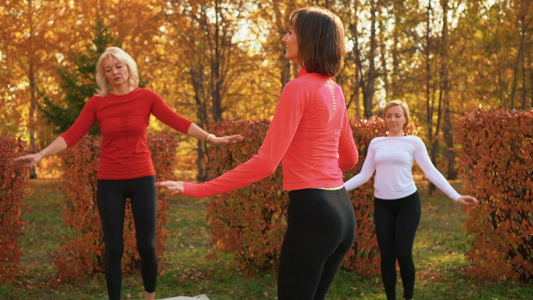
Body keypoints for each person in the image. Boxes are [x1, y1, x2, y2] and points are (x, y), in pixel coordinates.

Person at [156, 7, 358, 300]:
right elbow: (350, 158)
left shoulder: (298, 88)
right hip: (342, 213)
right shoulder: (334, 90)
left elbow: (265, 164)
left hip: (314, 213)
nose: (284, 38)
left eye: (291, 32)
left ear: (309, 40)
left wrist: (196, 189)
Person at [12, 46, 243, 300]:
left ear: (128, 67)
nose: (114, 72)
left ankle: (149, 298)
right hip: (109, 181)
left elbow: (178, 121)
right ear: (104, 75)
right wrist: (40, 154)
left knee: (147, 247)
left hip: (143, 178)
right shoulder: (97, 103)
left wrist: (211, 138)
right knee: (114, 249)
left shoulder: (147, 97)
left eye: (118, 66)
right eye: (108, 69)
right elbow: (72, 134)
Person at [344, 100, 479, 300]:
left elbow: (431, 172)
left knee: (403, 252)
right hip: (382, 205)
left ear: (405, 119)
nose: (393, 119)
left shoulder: (414, 142)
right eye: (389, 116)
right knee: (387, 255)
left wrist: (456, 196)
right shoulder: (376, 143)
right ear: (384, 119)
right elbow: (364, 175)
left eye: (397, 116)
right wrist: (338, 189)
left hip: (408, 203)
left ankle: (408, 297)